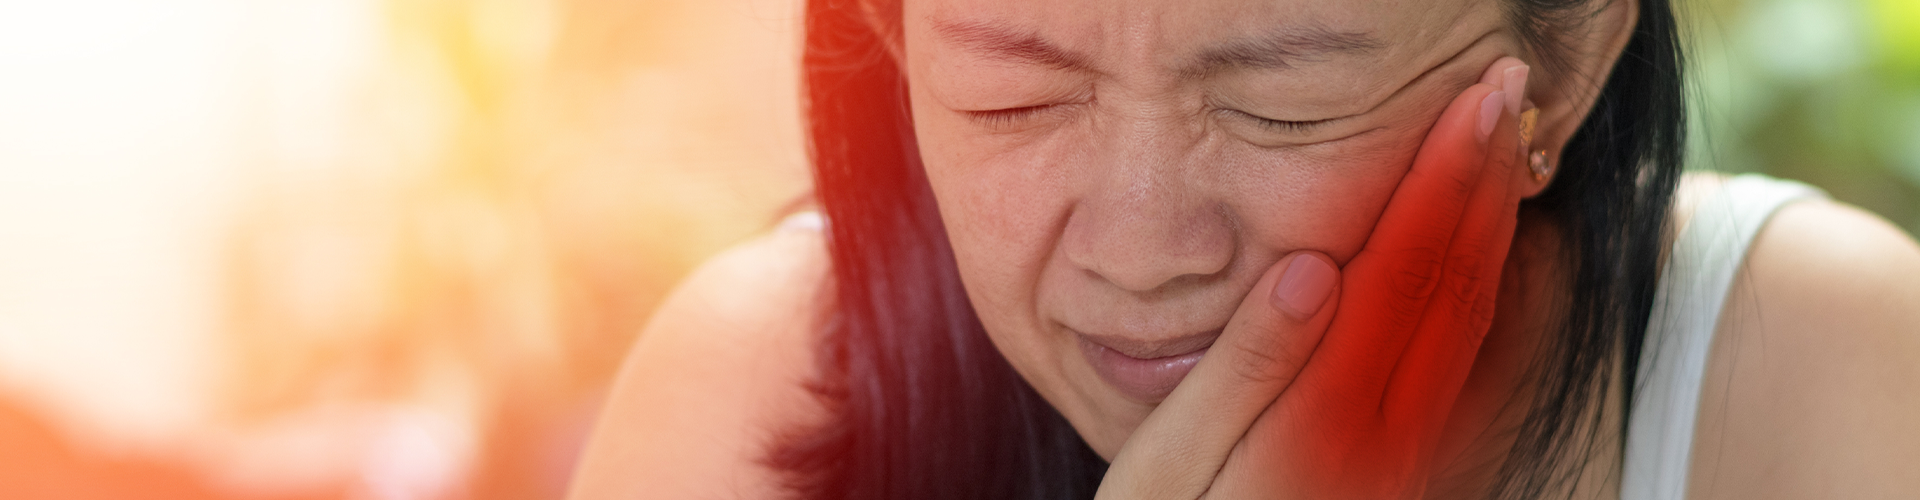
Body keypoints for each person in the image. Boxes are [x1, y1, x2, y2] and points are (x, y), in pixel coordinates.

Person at [567, 0, 1920, 497]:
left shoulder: (1825, 381)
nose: (1144, 248)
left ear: (1560, 63)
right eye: (1016, 97)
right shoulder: (745, 404)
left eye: (1283, 100)